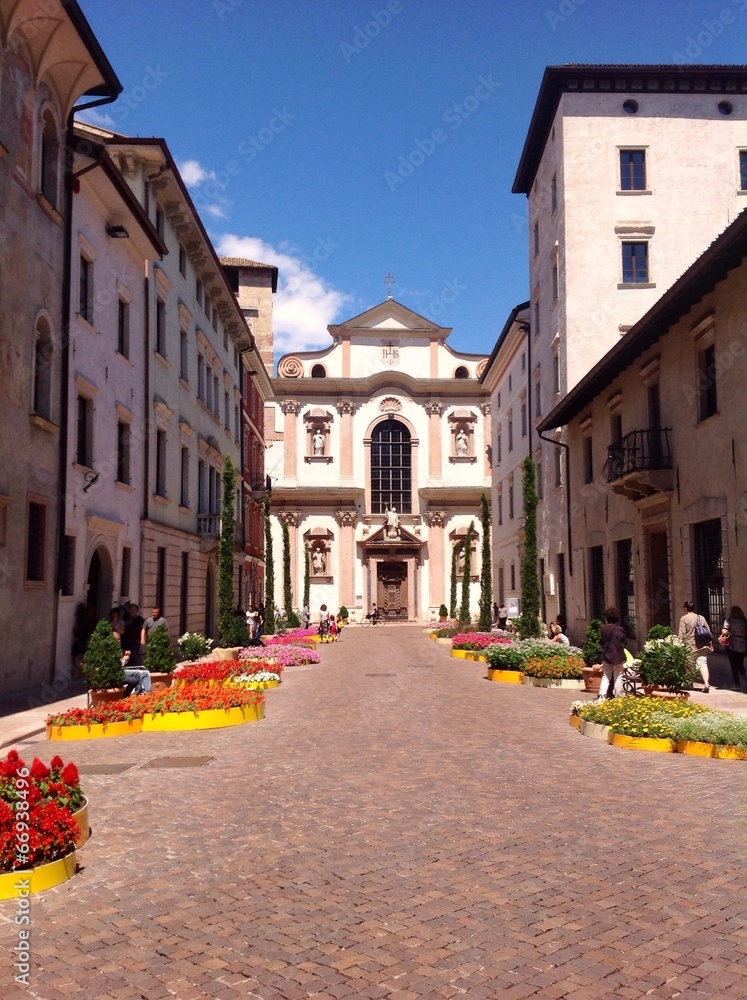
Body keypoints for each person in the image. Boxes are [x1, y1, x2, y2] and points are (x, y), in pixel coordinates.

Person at [678, 601, 712, 693]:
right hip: (702, 645)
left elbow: (681, 634)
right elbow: (708, 632)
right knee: (703, 664)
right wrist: (710, 644)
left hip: (690, 646)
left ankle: (689, 683)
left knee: (689, 665)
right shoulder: (701, 618)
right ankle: (706, 683)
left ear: (686, 608)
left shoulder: (684, 619)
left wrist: (679, 645)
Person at [599, 606, 627, 699]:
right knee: (618, 677)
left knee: (606, 677)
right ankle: (618, 698)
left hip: (606, 656)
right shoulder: (620, 629)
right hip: (618, 657)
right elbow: (624, 642)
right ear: (617, 618)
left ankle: (602, 697)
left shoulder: (603, 628)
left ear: (606, 618)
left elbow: (601, 641)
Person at [719, 605, 747, 693]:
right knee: (740, 663)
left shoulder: (729, 620)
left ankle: (736, 684)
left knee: (733, 665)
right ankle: (744, 678)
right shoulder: (744, 621)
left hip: (732, 645)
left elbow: (724, 631)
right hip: (742, 645)